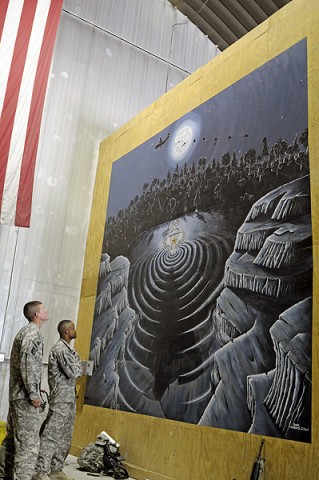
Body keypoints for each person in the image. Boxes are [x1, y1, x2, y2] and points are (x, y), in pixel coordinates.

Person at [0, 301, 49, 480]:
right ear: (37, 314)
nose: (46, 310)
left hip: (18, 395)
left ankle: (3, 474)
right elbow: (28, 364)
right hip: (24, 399)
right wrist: (33, 393)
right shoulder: (32, 334)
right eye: (44, 309)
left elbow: (27, 365)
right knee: (28, 444)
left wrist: (35, 387)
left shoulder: (25, 332)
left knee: (13, 439)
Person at [32, 320, 82, 480]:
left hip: (69, 399)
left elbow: (77, 368)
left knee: (65, 436)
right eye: (73, 328)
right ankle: (41, 471)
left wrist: (78, 364)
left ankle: (56, 468)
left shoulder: (69, 350)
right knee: (51, 436)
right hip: (60, 399)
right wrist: (79, 365)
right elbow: (74, 372)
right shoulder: (60, 349)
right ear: (67, 332)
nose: (75, 330)